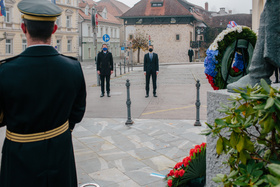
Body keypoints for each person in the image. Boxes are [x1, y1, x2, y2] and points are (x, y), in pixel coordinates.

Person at [0, 0, 86, 186]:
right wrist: (61, 130)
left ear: (23, 28)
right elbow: (78, 111)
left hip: (20, 155)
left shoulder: (5, 71)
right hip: (60, 149)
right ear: (54, 29)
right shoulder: (73, 67)